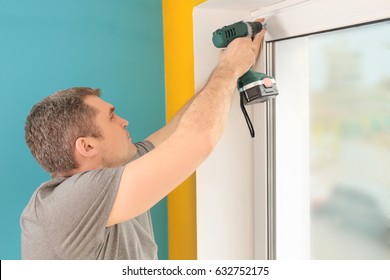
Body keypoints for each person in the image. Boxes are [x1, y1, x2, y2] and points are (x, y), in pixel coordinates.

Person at [20, 21, 266, 259]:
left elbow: (179, 129)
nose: (124, 121)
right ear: (87, 146)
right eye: (112, 117)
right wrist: (229, 70)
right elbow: (197, 139)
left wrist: (224, 69)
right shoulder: (69, 202)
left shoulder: (116, 170)